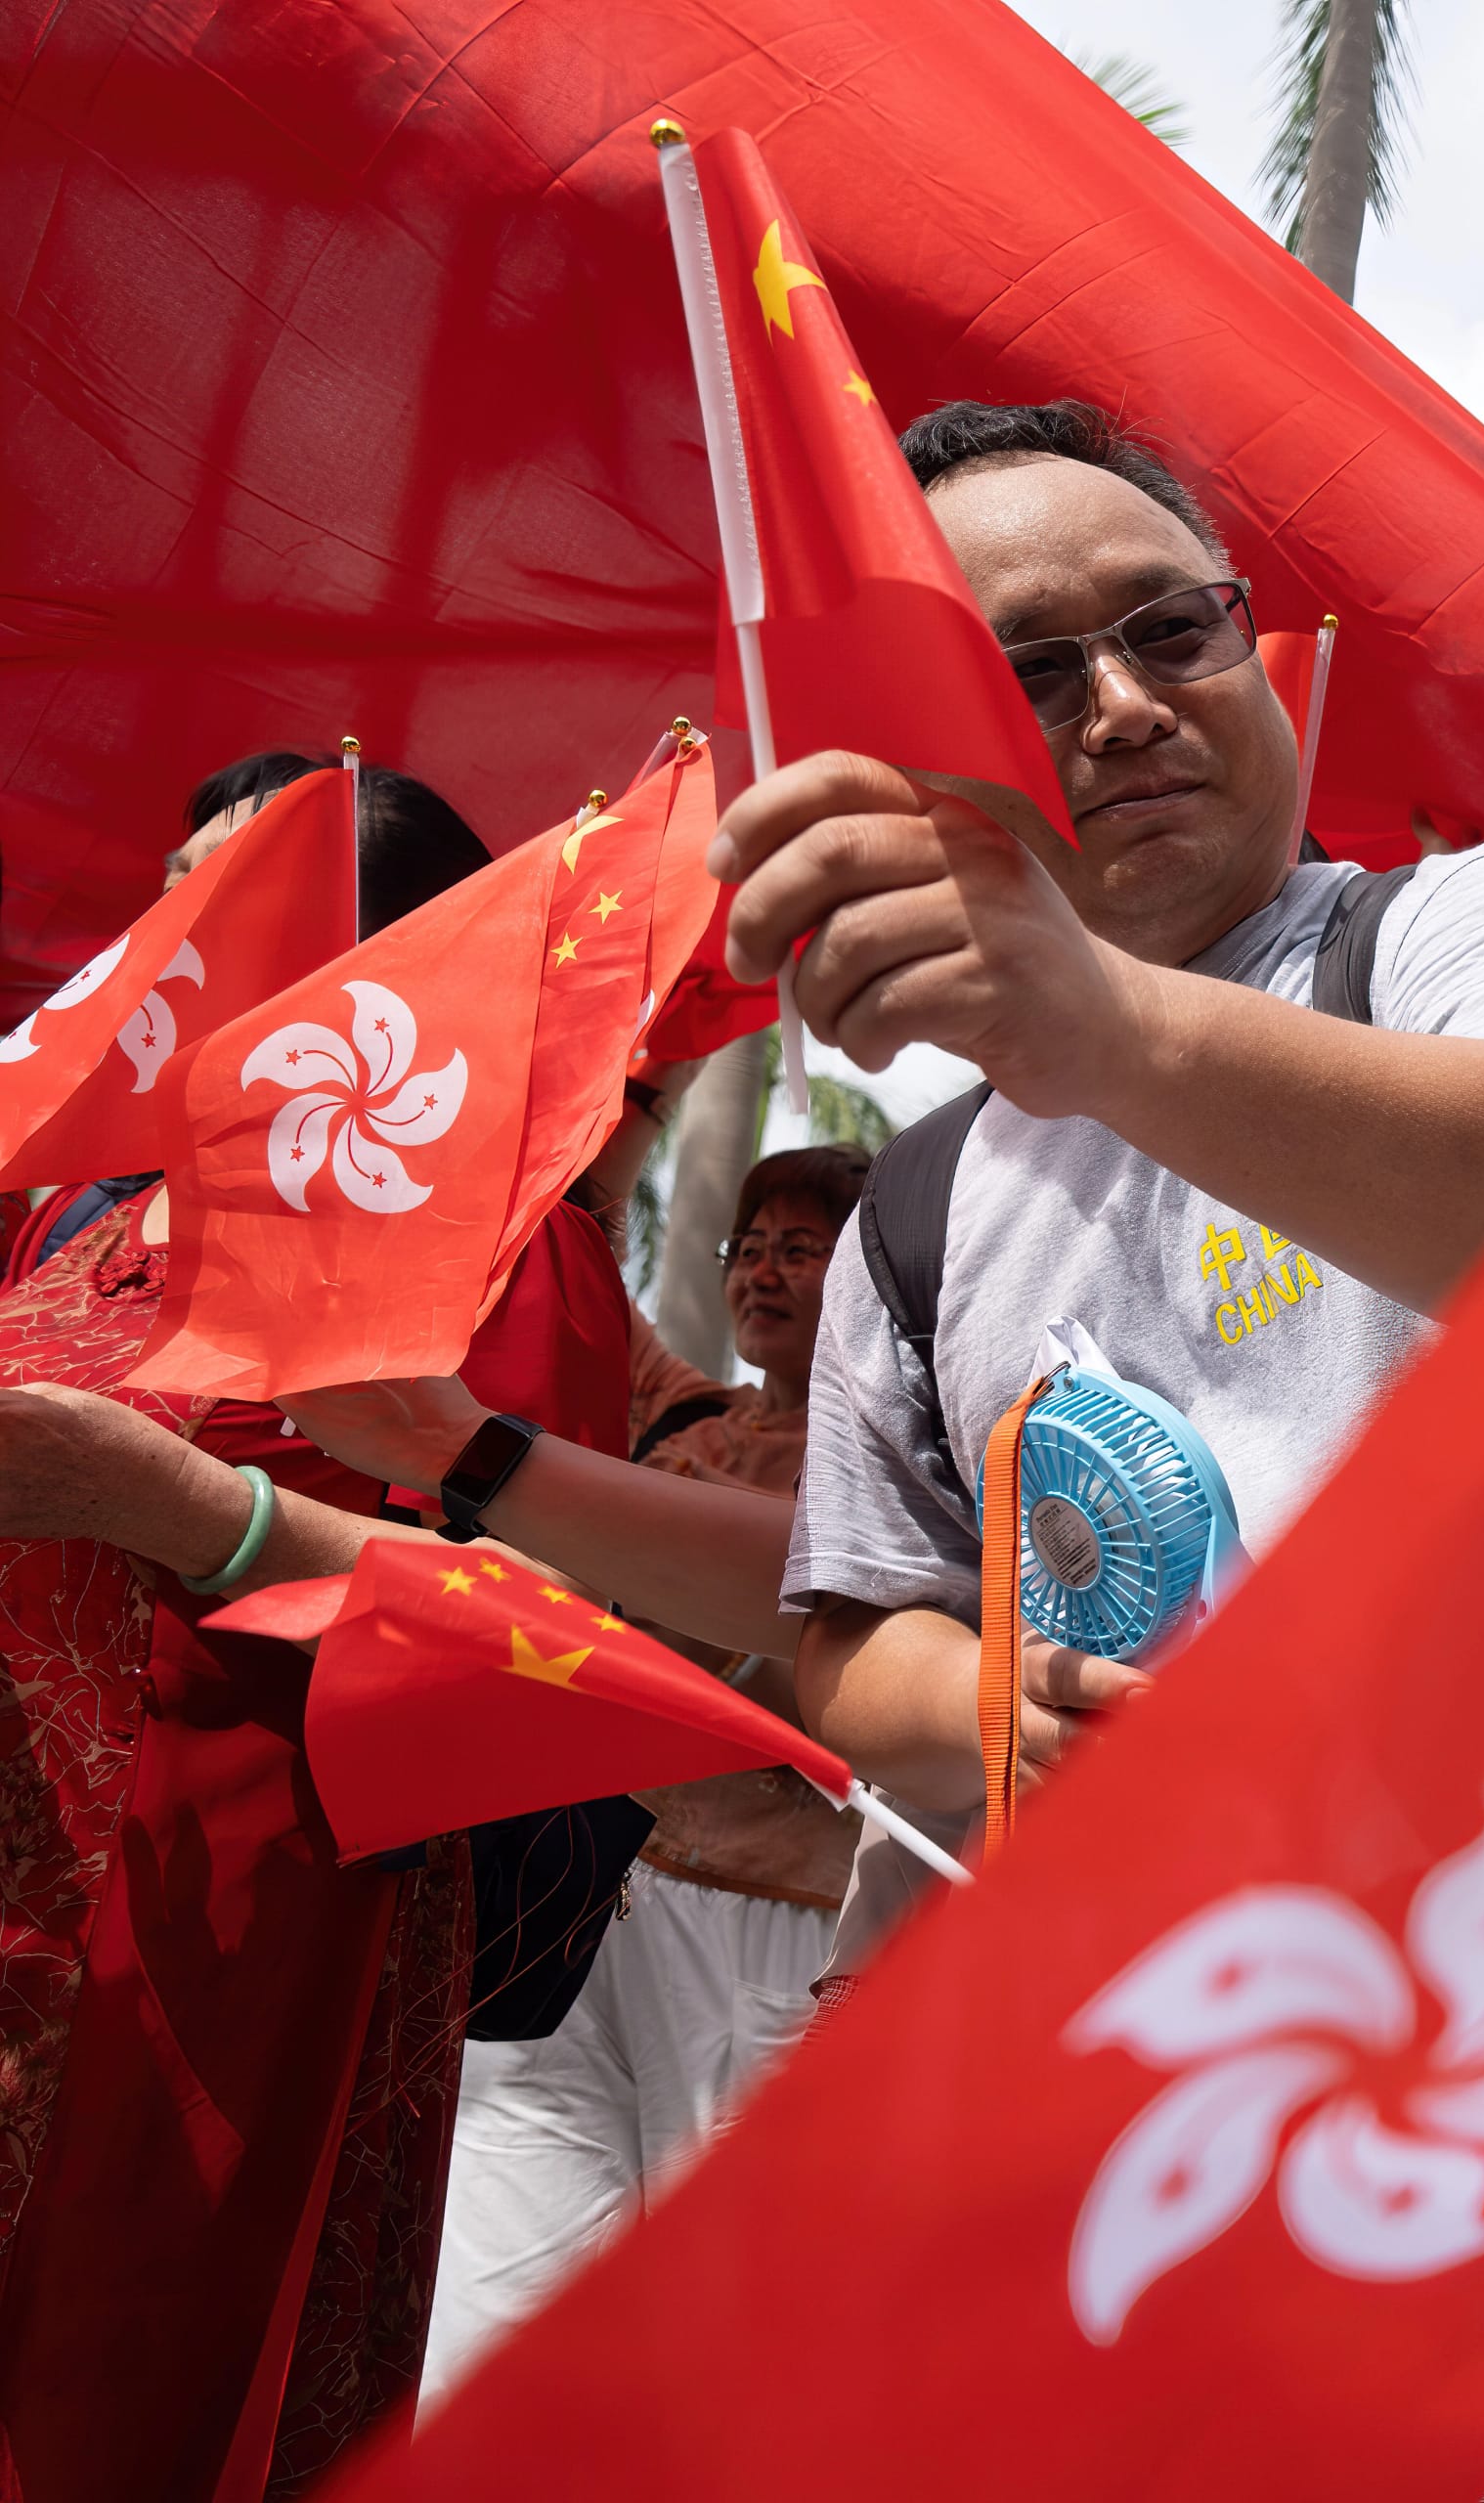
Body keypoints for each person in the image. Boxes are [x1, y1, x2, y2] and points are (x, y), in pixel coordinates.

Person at [695, 400, 1484, 1967]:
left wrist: (1114, 1027)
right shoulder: (919, 1206)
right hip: (1173, 2054)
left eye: (1171, 629)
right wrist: (984, 1703)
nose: (1129, 705)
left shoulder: (1454, 929)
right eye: (1030, 672)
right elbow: (853, 1632)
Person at [0, 760, 629, 2495]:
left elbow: (544, 1627)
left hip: (241, 1910)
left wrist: (180, 1517)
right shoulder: (81, 1204)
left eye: (250, 894)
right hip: (26, 1864)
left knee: (133, 2380)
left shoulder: (494, 1229)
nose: (180, 937)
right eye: (176, 889)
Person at [289, 1146, 870, 2404]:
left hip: (778, 1935)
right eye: (750, 1246)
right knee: (498, 2305)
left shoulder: (895, 1468)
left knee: (740, 2326)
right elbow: (594, 1290)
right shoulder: (696, 1424)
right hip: (606, 1906)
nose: (766, 1270)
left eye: (804, 1246)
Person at [5, 751, 496, 1284]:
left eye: (220, 881)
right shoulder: (85, 1205)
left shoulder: (484, 1235)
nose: (163, 922)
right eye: (175, 881)